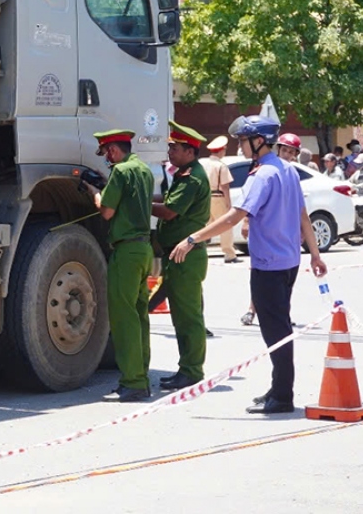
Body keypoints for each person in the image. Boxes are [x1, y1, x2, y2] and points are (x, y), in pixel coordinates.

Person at [170, 115, 328, 415]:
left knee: (275, 332)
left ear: (258, 141)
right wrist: (316, 254)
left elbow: (234, 216)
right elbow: (303, 215)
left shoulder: (263, 175)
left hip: (268, 265)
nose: (239, 145)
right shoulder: (288, 170)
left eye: (243, 140)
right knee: (279, 326)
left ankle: (282, 396)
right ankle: (278, 388)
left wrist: (193, 238)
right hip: (289, 262)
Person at [86, 128, 155, 402]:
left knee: (124, 318)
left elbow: (107, 211)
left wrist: (93, 192)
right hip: (144, 248)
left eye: (106, 154)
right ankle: (142, 376)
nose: (107, 159)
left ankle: (133, 382)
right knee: (140, 315)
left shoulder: (121, 172)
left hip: (125, 251)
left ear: (113, 150)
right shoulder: (145, 170)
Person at [152, 121, 212, 389]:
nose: (170, 153)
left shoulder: (192, 178)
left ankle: (191, 370)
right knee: (181, 315)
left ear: (189, 151)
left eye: (174, 148)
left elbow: (169, 212)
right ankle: (186, 368)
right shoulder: (184, 173)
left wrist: (135, 201)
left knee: (188, 317)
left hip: (187, 256)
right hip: (178, 255)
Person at [199, 135, 238, 263]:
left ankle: (199, 249)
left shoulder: (202, 163)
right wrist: (228, 204)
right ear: (221, 151)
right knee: (225, 226)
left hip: (204, 198)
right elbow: (225, 186)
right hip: (218, 197)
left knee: (205, 225)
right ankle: (229, 253)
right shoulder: (221, 166)